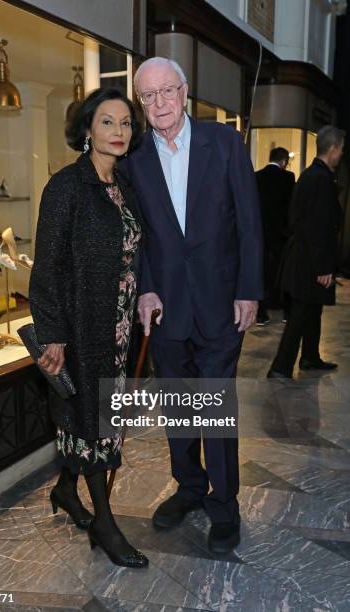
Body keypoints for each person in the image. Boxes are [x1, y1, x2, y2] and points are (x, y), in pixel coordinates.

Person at [124, 57, 263, 553]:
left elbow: (249, 222)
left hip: (222, 302)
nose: (159, 103)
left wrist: (249, 289)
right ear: (140, 104)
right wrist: (145, 287)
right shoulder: (134, 157)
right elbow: (136, 238)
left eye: (167, 92)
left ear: (185, 92)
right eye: (148, 96)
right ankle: (189, 488)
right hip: (165, 308)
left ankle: (225, 505)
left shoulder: (224, 144)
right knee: (180, 407)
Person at [29, 88, 148, 568]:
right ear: (86, 129)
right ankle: (103, 520)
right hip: (81, 327)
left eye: (125, 124)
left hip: (117, 326)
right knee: (94, 421)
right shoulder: (66, 186)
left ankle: (64, 489)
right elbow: (47, 266)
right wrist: (52, 332)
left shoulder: (124, 185)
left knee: (100, 415)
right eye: (107, 122)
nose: (119, 132)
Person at [268, 125, 344, 379]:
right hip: (310, 261)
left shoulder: (310, 174)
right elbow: (317, 227)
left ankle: (310, 357)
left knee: (312, 309)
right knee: (301, 313)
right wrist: (323, 267)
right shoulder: (320, 179)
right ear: (332, 149)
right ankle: (280, 367)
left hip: (304, 257)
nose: (342, 154)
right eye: (341, 149)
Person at [255, 147, 295, 325]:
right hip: (281, 234)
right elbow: (291, 208)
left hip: (261, 233)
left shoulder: (257, 176)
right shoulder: (288, 178)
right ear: (284, 161)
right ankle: (286, 312)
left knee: (261, 273)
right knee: (283, 272)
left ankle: (261, 314)